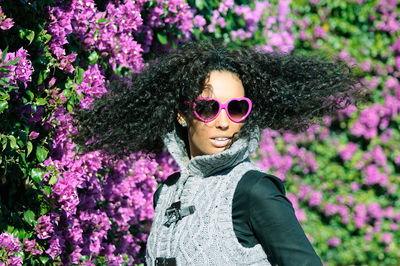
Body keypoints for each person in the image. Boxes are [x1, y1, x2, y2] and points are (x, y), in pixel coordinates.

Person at [73, 40, 363, 265]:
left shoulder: (254, 190)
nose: (224, 122)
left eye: (236, 108)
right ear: (182, 114)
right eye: (208, 108)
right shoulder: (166, 193)